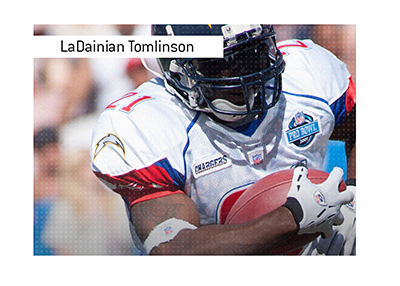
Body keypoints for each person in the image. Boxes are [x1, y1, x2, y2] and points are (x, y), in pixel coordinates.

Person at [90, 24, 356, 255]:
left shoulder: (306, 73)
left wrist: (357, 196)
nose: (242, 74)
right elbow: (175, 250)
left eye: (252, 54)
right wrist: (291, 219)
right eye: (219, 63)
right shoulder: (150, 122)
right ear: (178, 69)